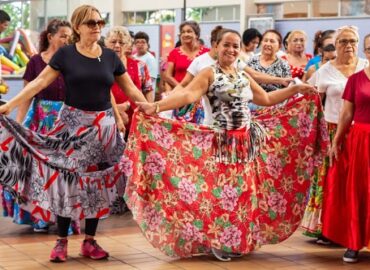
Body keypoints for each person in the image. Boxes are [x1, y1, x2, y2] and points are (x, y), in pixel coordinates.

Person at [124, 29, 328, 261]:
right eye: (226, 45)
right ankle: (220, 240)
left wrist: (295, 89)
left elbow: (266, 99)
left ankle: (237, 239)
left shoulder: (242, 74)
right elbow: (189, 96)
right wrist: (157, 107)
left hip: (246, 142)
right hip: (221, 142)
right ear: (216, 47)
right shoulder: (208, 73)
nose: (231, 50)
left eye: (235, 46)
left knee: (243, 194)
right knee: (222, 194)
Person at [0, 5, 146, 263]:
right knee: (66, 182)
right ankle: (61, 241)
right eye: (91, 22)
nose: (97, 27)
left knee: (98, 185)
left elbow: (132, 90)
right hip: (72, 127)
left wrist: (151, 108)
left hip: (104, 128)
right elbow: (39, 82)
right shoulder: (66, 54)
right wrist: (10, 106)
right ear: (78, 26)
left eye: (100, 22)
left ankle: (90, 241)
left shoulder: (111, 57)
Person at [0, 19, 81, 234]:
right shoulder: (36, 61)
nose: (67, 39)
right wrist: (17, 124)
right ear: (51, 36)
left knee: (66, 170)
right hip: (40, 122)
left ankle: (66, 218)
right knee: (38, 171)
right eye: (63, 35)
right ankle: (40, 217)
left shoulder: (74, 61)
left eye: (69, 36)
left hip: (67, 122)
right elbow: (27, 96)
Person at [301, 26, 368, 244]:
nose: (348, 46)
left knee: (357, 183)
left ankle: (354, 229)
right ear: (335, 45)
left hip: (360, 133)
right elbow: (312, 103)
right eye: (343, 41)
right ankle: (327, 228)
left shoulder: (365, 67)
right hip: (331, 130)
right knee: (331, 181)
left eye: (353, 42)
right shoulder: (324, 71)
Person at [322, 34, 370, 263]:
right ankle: (354, 243)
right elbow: (346, 114)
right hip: (360, 140)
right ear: (365, 51)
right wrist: (336, 142)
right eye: (369, 48)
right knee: (358, 190)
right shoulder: (356, 80)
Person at [164, 21, 209, 90]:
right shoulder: (174, 52)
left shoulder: (207, 52)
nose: (185, 34)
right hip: (180, 93)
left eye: (189, 31)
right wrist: (181, 88)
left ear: (196, 35)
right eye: (183, 32)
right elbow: (168, 76)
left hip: (201, 93)